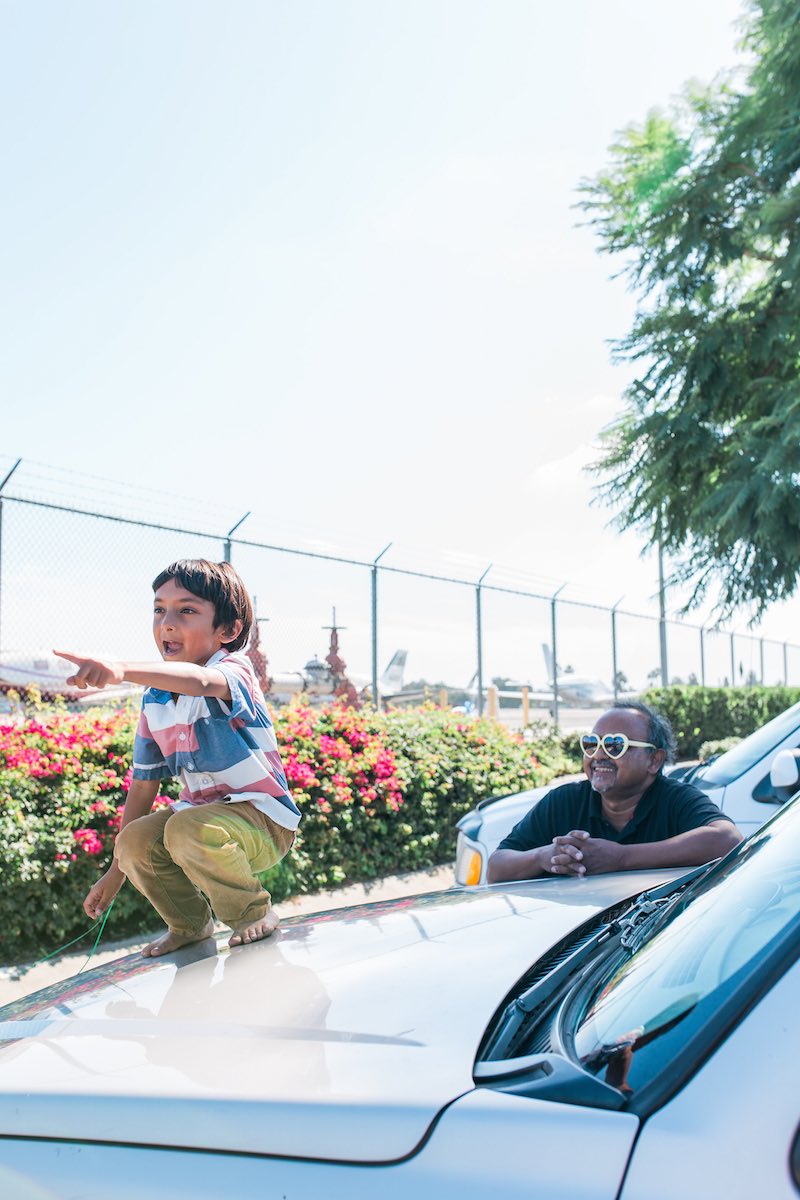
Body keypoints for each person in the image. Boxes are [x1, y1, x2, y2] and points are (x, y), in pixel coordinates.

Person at [56, 558, 301, 957]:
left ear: (228, 630)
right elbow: (142, 785)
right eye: (159, 609)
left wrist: (120, 668)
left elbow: (202, 682)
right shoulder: (155, 699)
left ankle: (253, 913)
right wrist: (116, 872)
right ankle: (189, 925)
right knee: (134, 840)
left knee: (186, 827)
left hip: (263, 821)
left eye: (186, 610)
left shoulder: (233, 671)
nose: (167, 622)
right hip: (199, 819)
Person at [487, 702, 742, 883]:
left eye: (615, 745)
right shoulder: (563, 801)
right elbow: (496, 867)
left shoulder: (675, 799)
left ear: (654, 760)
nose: (598, 755)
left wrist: (621, 858)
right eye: (591, 743)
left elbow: (728, 840)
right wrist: (543, 857)